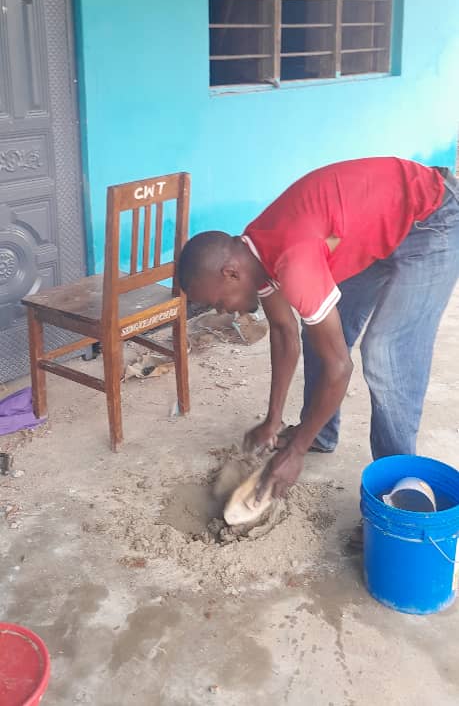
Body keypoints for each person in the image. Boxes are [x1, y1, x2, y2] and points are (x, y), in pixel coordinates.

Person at [178, 157, 459, 499]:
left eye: (219, 301)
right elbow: (283, 333)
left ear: (231, 273)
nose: (224, 311)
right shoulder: (254, 253)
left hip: (430, 216)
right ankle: (319, 432)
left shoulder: (294, 265)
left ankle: (400, 490)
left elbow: (340, 368)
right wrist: (272, 421)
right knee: (317, 334)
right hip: (378, 222)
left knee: (385, 353)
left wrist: (294, 453)